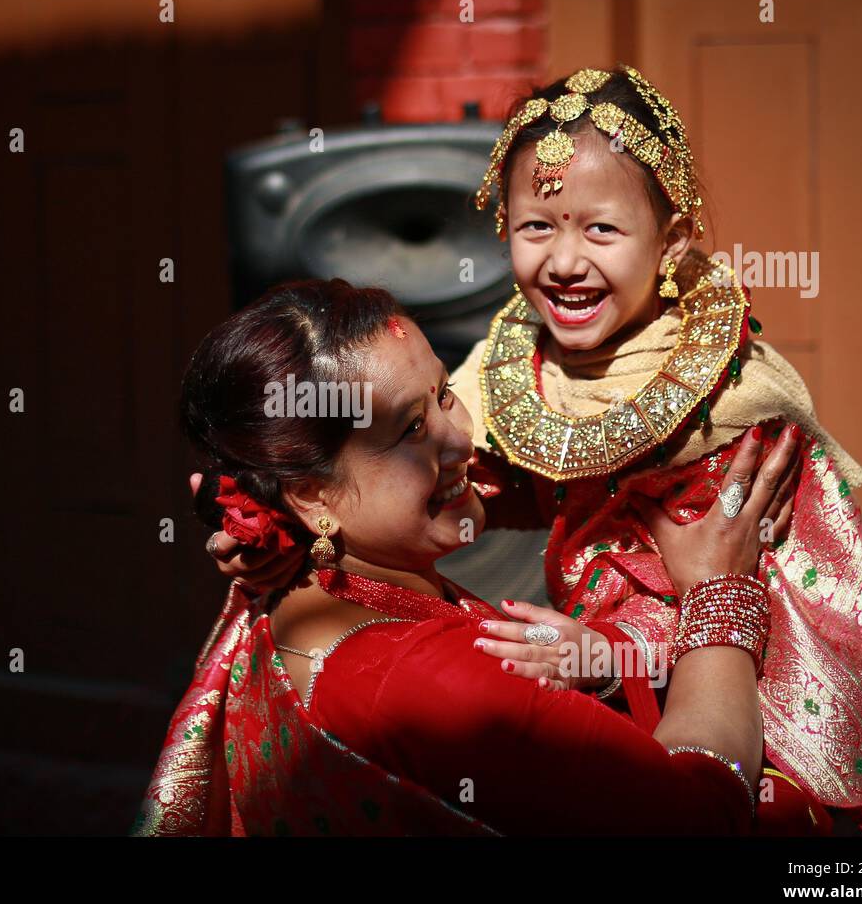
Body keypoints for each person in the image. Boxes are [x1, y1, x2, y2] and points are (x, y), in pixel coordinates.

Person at [198, 66, 862, 836]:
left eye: (601, 229)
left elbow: (735, 564)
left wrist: (617, 650)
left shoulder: (729, 402)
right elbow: (502, 485)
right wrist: (270, 523)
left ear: (672, 243)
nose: (566, 262)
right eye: (538, 227)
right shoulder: (527, 362)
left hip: (758, 680)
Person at [135, 279, 813, 836]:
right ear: (313, 498)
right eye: (410, 429)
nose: (461, 439)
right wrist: (719, 595)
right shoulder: (437, 685)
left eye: (444, 393)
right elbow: (700, 816)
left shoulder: (286, 592)